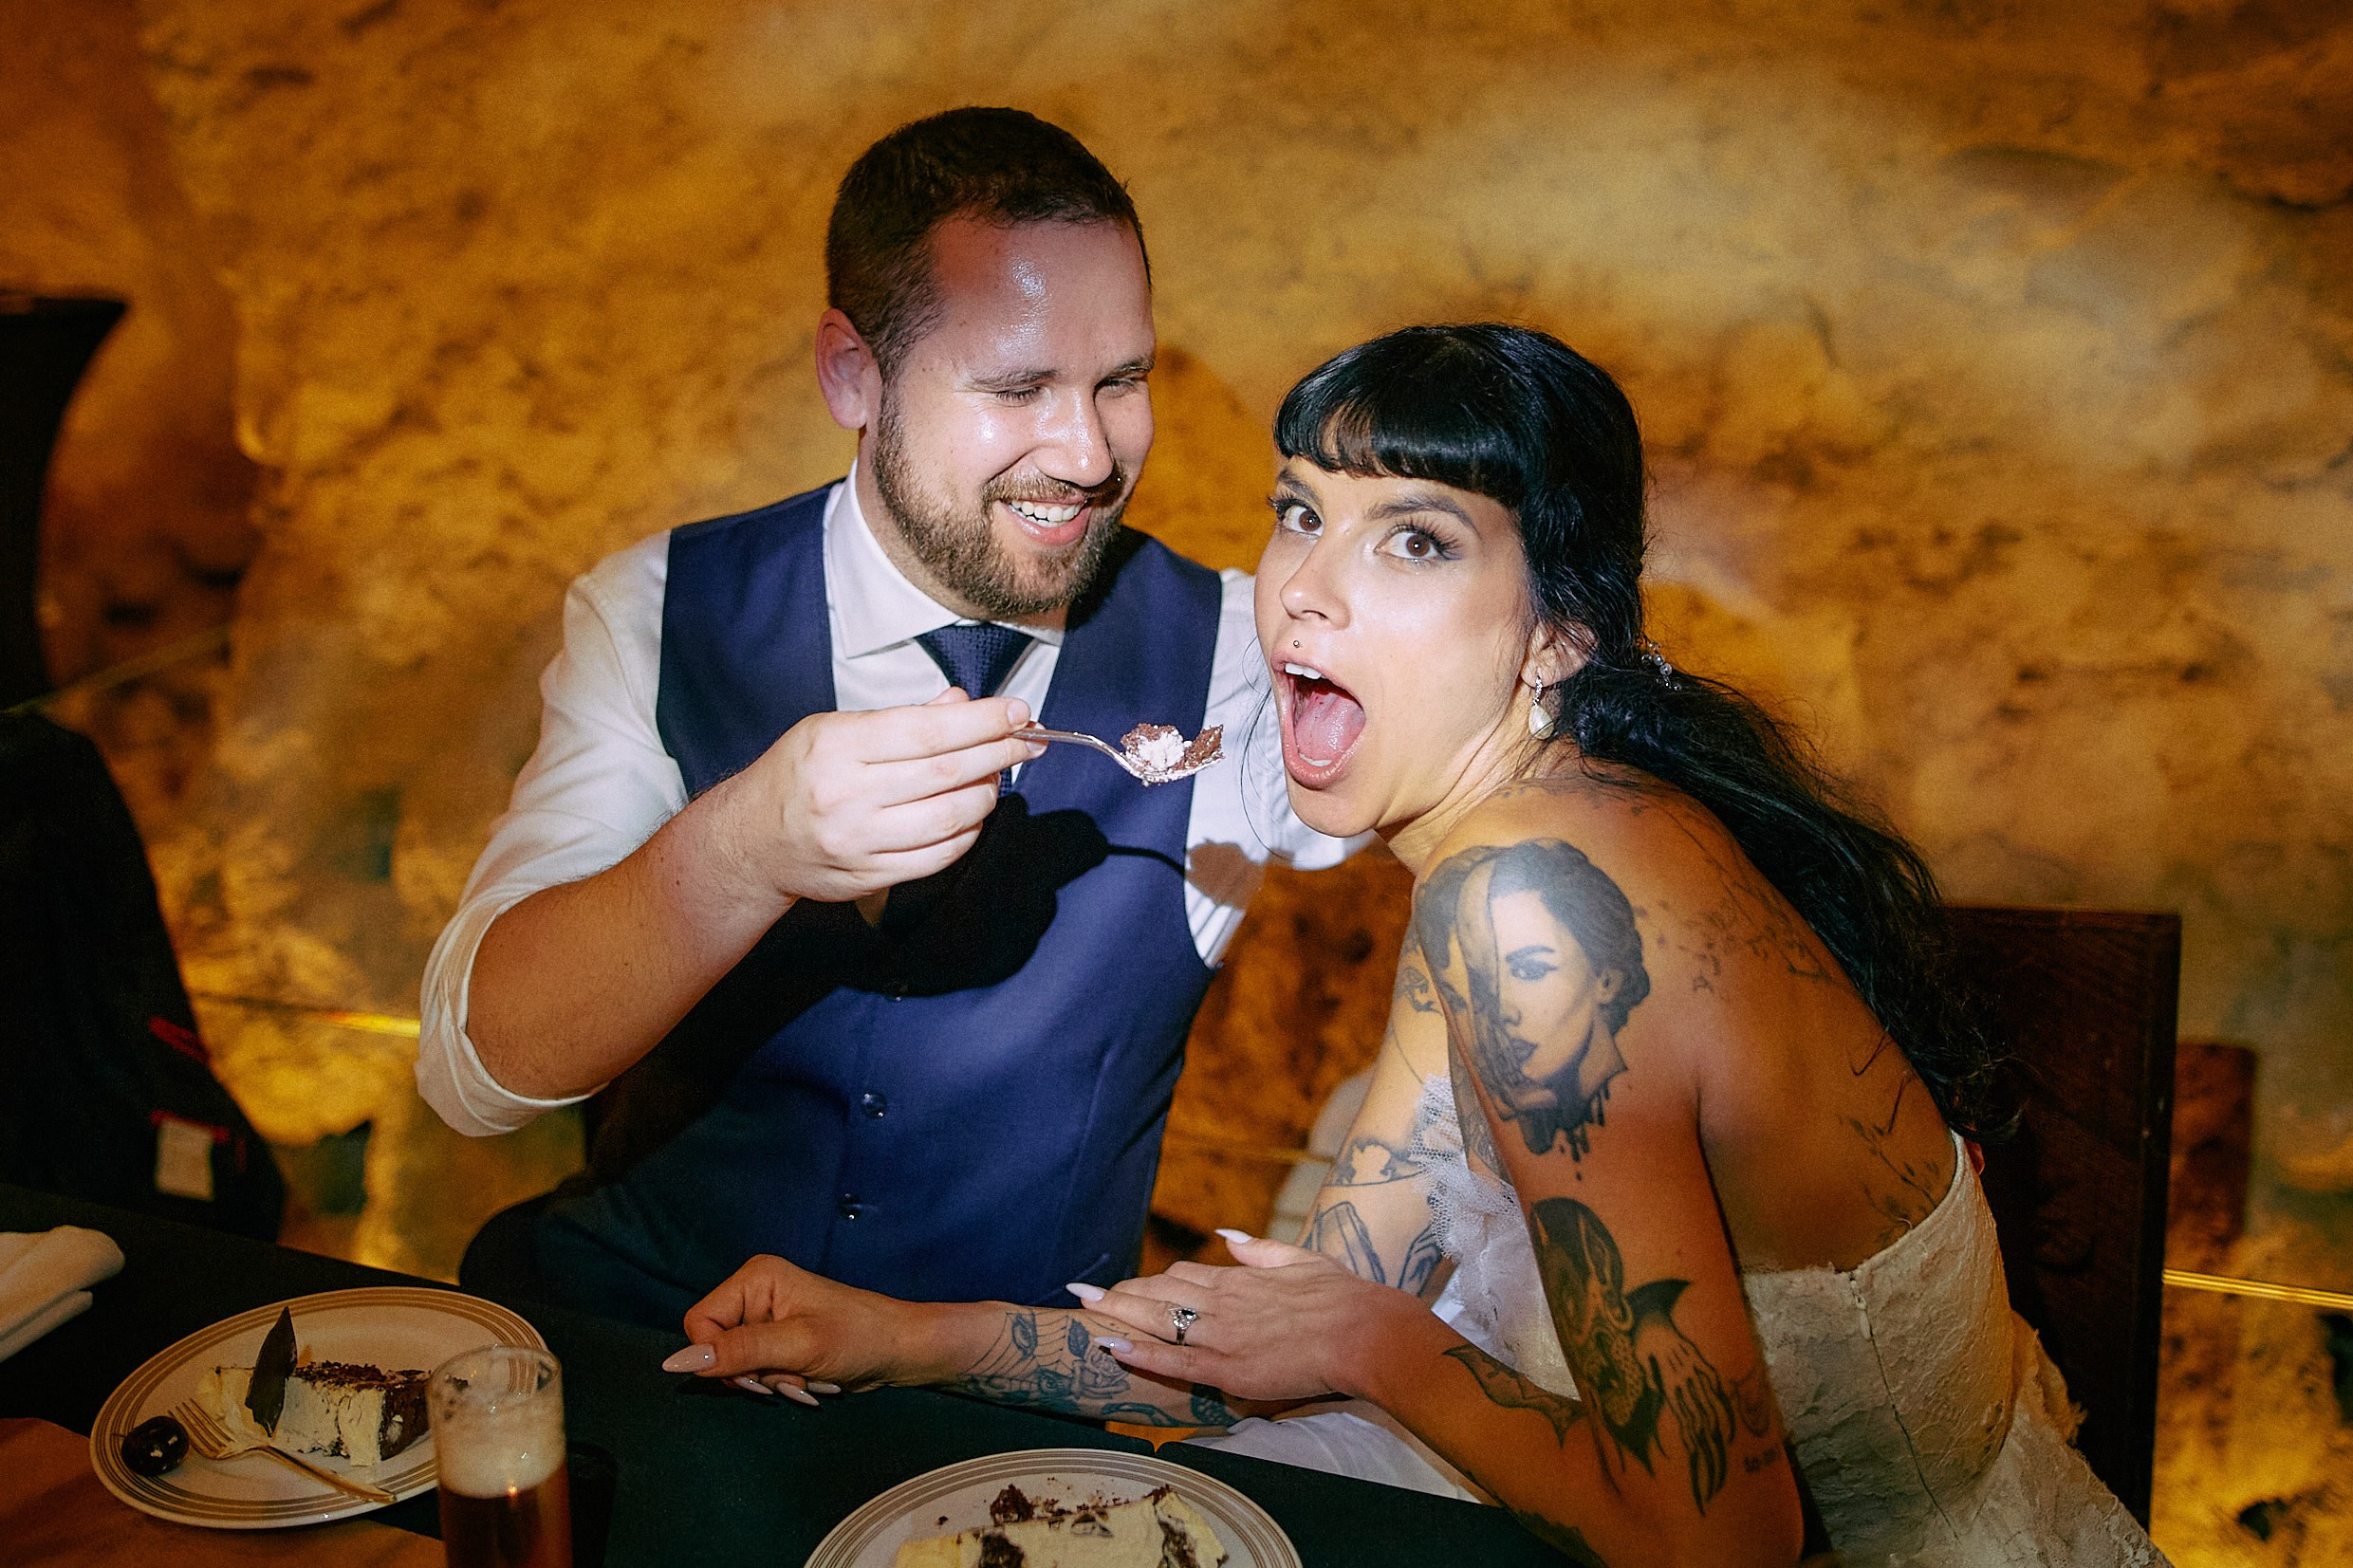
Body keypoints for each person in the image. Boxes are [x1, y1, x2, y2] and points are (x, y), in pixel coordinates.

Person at [664, 325, 2167, 1566]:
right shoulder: (1506, 847)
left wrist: (1381, 1346)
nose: (1305, 584)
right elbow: (1296, 1309)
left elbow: (1728, 1539)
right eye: (1304, 509)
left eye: (1418, 540)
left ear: (1557, 636)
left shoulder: (1534, 903)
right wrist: (896, 1335)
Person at [415, 108, 1351, 1331]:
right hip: (650, 1362)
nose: (1084, 452)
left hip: (1000, 1444)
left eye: (1121, 381)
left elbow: (1485, 801)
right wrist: (738, 852)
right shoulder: (660, 614)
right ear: (853, 375)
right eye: (1016, 388)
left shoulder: (1236, 653)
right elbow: (474, 1077)